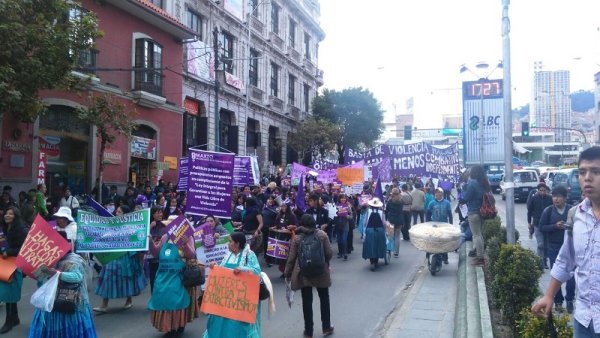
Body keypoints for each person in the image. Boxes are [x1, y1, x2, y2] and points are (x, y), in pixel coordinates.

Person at [532, 147, 600, 336]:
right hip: (584, 320)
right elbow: (566, 259)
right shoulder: (576, 215)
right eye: (582, 172)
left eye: (596, 171)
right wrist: (549, 295)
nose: (587, 177)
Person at [28, 231, 98, 338]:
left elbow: (77, 277)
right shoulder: (49, 258)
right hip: (51, 300)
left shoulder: (73, 260)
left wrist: (57, 273)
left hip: (69, 301)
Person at [204, 232, 262, 338]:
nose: (228, 244)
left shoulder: (249, 255)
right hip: (226, 299)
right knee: (218, 322)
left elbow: (257, 272)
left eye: (230, 241)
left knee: (237, 326)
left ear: (237, 244)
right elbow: (222, 271)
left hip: (240, 302)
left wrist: (243, 269)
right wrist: (215, 267)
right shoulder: (228, 255)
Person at [284, 215, 334, 338]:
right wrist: (325, 262)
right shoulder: (322, 235)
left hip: (304, 273)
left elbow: (291, 259)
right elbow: (329, 253)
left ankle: (308, 331)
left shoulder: (297, 238)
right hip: (321, 271)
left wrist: (287, 273)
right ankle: (326, 327)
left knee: (307, 301)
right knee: (324, 298)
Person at [93, 205, 147, 313]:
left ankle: (129, 300)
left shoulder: (131, 226)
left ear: (125, 214)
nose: (117, 213)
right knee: (108, 278)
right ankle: (104, 305)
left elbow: (135, 240)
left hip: (125, 256)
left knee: (127, 278)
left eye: (119, 212)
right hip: (112, 255)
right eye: (117, 211)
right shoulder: (111, 224)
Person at [147, 228, 196, 337]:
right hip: (163, 275)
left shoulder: (188, 237)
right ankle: (168, 326)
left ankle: (177, 326)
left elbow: (191, 255)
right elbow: (156, 253)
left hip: (179, 275)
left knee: (176, 300)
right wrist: (150, 241)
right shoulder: (165, 237)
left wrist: (185, 244)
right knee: (163, 299)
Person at [538, 185, 575, 313]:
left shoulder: (572, 211)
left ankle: (570, 299)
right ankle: (558, 302)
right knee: (556, 275)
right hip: (553, 247)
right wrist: (555, 226)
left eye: (559, 196)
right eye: (554, 196)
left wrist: (568, 227)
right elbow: (542, 227)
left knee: (571, 277)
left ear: (565, 198)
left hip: (571, 249)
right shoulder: (548, 211)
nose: (556, 199)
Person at [0, 207, 27, 334]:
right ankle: (14, 318)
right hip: (8, 261)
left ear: (16, 216)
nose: (7, 215)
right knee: (10, 290)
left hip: (15, 263)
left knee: (9, 291)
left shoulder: (20, 229)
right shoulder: (7, 227)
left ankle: (9, 322)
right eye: (6, 213)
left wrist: (8, 251)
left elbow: (23, 248)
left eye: (10, 214)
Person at [462, 165, 491, 266]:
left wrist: (463, 189)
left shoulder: (472, 183)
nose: (469, 173)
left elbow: (466, 197)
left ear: (474, 172)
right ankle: (479, 253)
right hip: (482, 212)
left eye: (471, 171)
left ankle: (480, 258)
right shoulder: (484, 182)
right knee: (479, 234)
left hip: (473, 212)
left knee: (476, 235)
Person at [526, 183, 553, 268]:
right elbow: (529, 211)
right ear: (538, 190)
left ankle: (545, 261)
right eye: (540, 190)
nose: (542, 192)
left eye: (544, 191)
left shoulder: (550, 199)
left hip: (548, 225)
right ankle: (540, 260)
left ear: (546, 191)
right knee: (540, 243)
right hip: (537, 224)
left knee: (547, 244)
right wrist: (529, 222)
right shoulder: (534, 199)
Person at [426, 188, 454, 264]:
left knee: (444, 241)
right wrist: (427, 223)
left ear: (442, 194)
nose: (437, 194)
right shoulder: (431, 203)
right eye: (436, 193)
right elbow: (428, 214)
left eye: (439, 193)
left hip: (444, 225)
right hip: (434, 225)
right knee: (432, 240)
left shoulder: (447, 203)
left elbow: (450, 214)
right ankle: (428, 254)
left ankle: (445, 257)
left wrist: (451, 224)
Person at [362, 197, 387, 271]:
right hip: (380, 230)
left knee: (370, 245)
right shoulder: (381, 212)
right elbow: (384, 223)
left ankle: (371, 260)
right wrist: (385, 231)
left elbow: (365, 223)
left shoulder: (368, 211)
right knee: (378, 245)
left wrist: (364, 231)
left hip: (370, 230)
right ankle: (376, 261)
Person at [148, 205, 167, 291]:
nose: (160, 214)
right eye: (158, 212)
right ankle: (153, 299)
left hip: (163, 257)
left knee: (163, 279)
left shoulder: (165, 225)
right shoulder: (148, 225)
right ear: (153, 214)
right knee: (153, 279)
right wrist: (150, 227)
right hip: (152, 258)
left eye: (161, 212)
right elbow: (142, 237)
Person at [385, 188, 403, 257]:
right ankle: (396, 252)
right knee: (397, 236)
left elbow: (387, 210)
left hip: (391, 220)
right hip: (399, 220)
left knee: (390, 235)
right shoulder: (401, 201)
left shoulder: (390, 201)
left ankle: (389, 249)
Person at [334, 194, 353, 260]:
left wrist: (346, 216)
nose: (343, 199)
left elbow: (351, 216)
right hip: (338, 224)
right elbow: (333, 214)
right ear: (339, 199)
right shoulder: (336, 206)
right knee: (339, 240)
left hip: (345, 225)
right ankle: (340, 252)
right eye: (342, 198)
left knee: (344, 239)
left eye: (344, 198)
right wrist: (336, 214)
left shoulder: (348, 206)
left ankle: (345, 253)